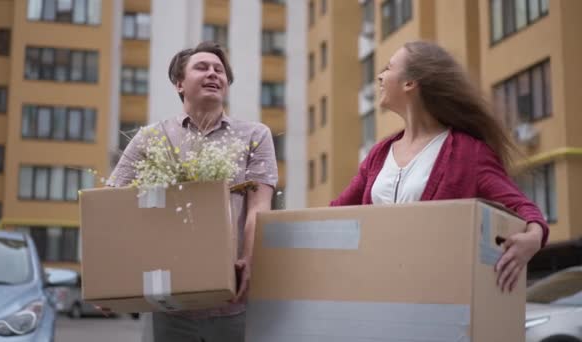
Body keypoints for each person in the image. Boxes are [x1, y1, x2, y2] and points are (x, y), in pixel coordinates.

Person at [330, 41, 548, 293]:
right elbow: (335, 213)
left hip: (433, 295)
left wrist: (533, 237)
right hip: (376, 290)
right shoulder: (378, 155)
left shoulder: (469, 153)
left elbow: (523, 207)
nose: (380, 76)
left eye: (388, 68)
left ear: (410, 83)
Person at [107, 41, 278, 342]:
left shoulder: (255, 135)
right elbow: (112, 205)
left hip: (233, 301)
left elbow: (258, 208)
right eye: (202, 67)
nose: (213, 74)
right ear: (179, 84)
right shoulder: (152, 138)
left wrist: (250, 260)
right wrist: (110, 276)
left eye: (219, 70)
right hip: (168, 305)